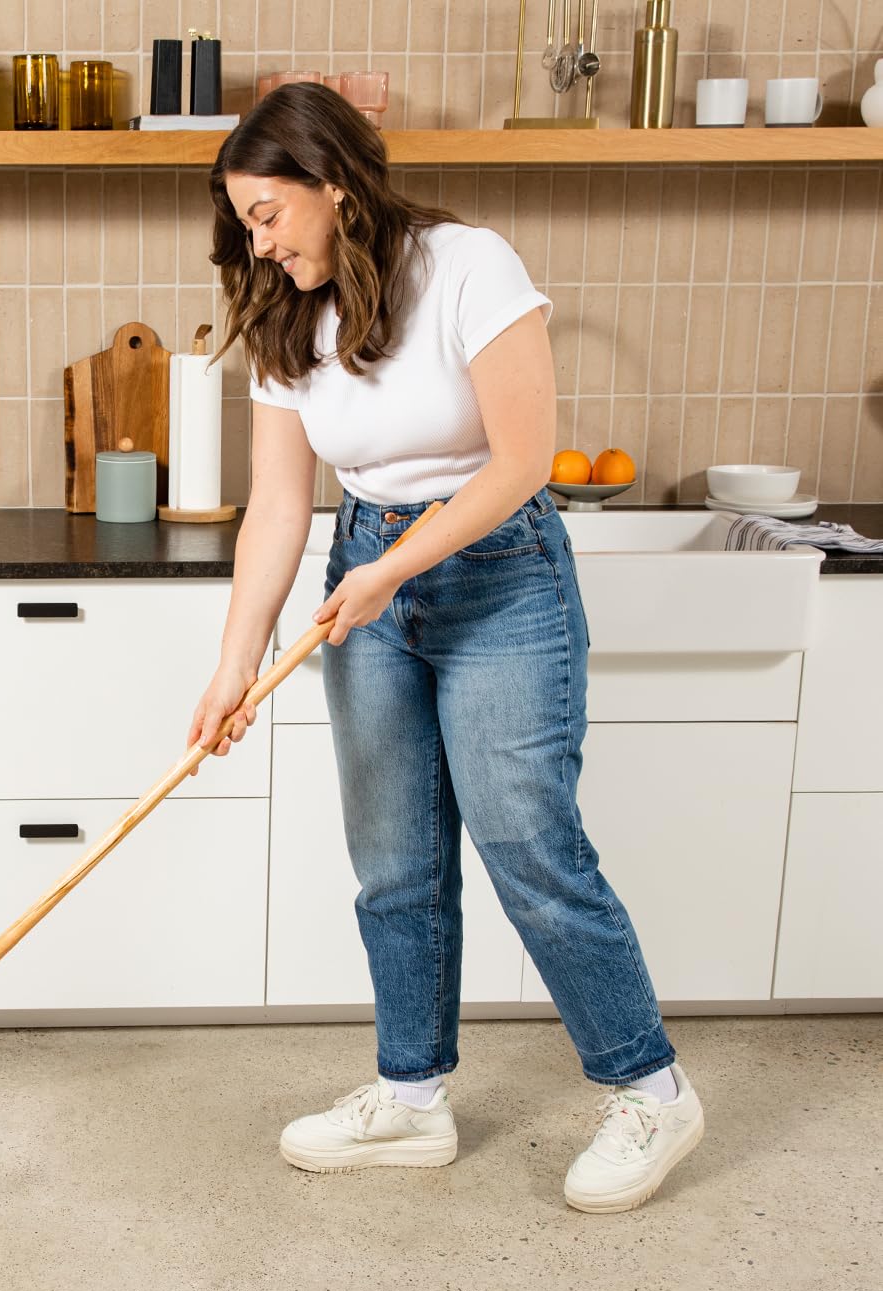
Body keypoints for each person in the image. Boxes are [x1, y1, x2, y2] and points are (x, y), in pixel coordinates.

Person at [187, 83, 704, 1214]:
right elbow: (279, 508)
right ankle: (411, 1099)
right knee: (395, 863)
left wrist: (391, 569)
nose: (260, 244)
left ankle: (652, 1090)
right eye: (246, 224)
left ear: (334, 185)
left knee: (530, 845)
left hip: (497, 574)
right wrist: (235, 662)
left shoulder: (469, 265)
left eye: (271, 214)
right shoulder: (287, 315)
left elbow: (524, 460)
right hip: (369, 574)